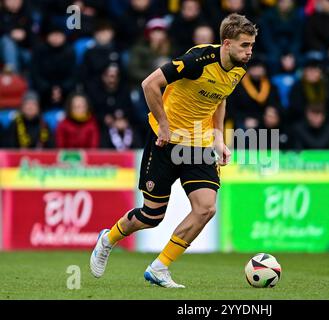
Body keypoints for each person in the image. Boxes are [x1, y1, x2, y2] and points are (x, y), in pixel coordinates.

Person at [90, 13, 257, 288]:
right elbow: (149, 84)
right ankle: (108, 239)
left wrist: (218, 136)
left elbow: (220, 98)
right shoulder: (197, 61)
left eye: (251, 46)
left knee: (206, 208)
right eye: (245, 45)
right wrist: (165, 126)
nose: (249, 52)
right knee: (151, 216)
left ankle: (160, 267)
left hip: (199, 145)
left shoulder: (239, 68)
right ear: (227, 43)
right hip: (164, 141)